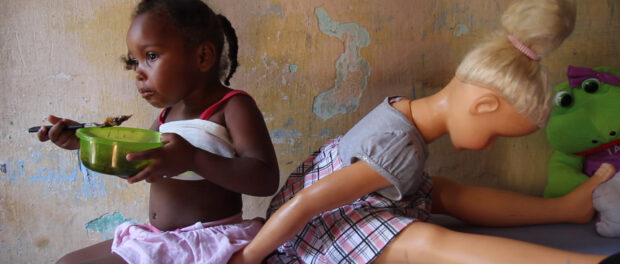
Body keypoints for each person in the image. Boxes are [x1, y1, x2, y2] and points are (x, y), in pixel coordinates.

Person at [230, 0, 618, 263]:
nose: (489, 145)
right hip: (315, 229)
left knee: (442, 190)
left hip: (352, 200)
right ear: (483, 106)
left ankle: (561, 209)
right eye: (495, 134)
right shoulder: (398, 146)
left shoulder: (404, 114)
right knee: (424, 242)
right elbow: (308, 204)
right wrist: (251, 256)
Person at [37, 0, 279, 263]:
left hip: (203, 240)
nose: (139, 73)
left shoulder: (233, 106)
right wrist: (85, 141)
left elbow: (265, 179)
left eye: (150, 56)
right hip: (157, 236)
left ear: (202, 57)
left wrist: (193, 158)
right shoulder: (168, 113)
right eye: (134, 62)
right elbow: (135, 162)